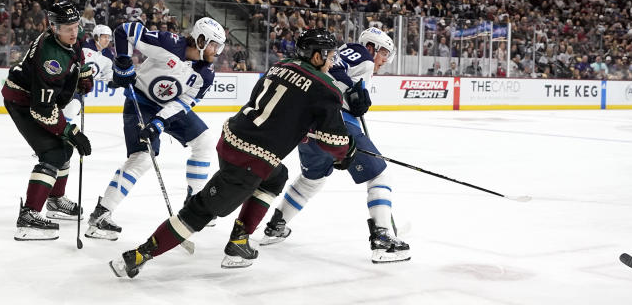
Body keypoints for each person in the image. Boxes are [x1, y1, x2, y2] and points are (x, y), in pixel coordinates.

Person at [109, 28, 356, 278]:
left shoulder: (280, 66)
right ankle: (138, 255)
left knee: (277, 176)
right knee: (199, 212)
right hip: (251, 160)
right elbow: (333, 142)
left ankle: (240, 240)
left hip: (231, 139)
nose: (332, 61)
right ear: (316, 56)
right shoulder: (326, 89)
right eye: (330, 55)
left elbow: (281, 109)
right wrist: (346, 152)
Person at [261, 26, 410, 263]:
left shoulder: (348, 58)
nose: (383, 60)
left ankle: (276, 225)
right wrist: (351, 89)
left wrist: (353, 92)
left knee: (311, 180)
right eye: (383, 53)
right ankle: (382, 239)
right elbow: (334, 72)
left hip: (309, 130)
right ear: (372, 46)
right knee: (380, 176)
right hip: (336, 124)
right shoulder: (360, 52)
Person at [85, 17, 225, 241]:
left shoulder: (205, 74)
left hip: (167, 109)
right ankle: (101, 214)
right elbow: (125, 30)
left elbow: (184, 103)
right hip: (139, 101)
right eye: (213, 44)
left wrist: (160, 122)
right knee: (141, 158)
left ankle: (194, 201)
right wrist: (123, 61)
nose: (216, 51)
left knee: (205, 140)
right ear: (200, 39)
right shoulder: (169, 44)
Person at [0, 1, 94, 241]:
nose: (74, 32)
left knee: (65, 150)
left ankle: (54, 200)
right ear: (53, 27)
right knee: (53, 153)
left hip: (35, 100)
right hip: (23, 103)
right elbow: (42, 109)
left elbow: (78, 50)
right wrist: (70, 131)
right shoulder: (50, 59)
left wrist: (82, 74)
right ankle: (29, 217)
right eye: (67, 28)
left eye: (76, 25)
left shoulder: (70, 35)